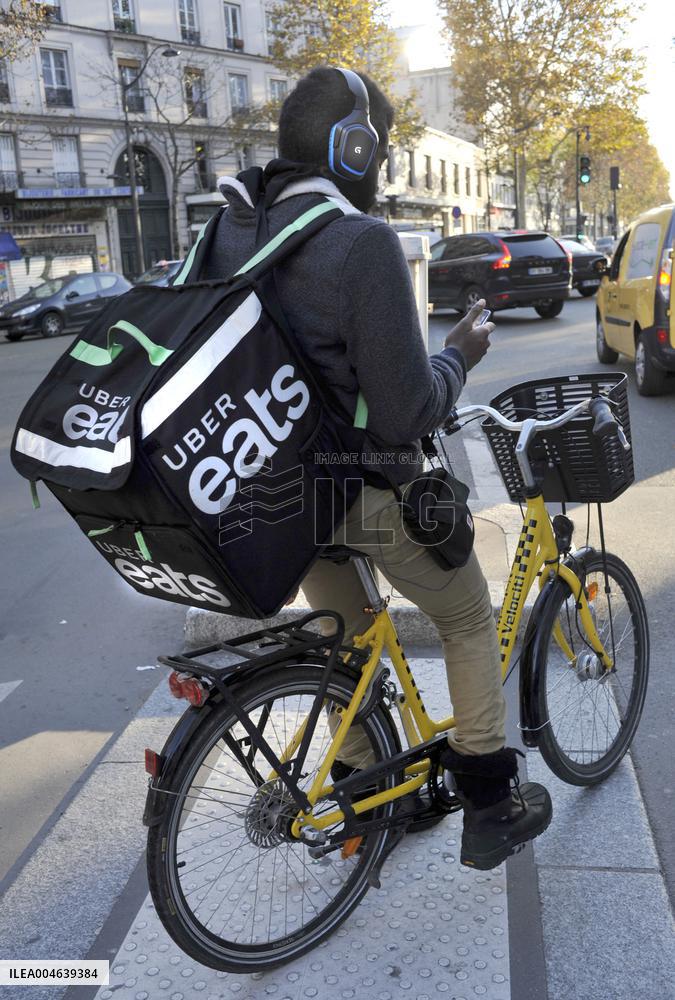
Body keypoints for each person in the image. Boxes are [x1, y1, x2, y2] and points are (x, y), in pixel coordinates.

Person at [205, 66, 552, 870]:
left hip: (272, 495)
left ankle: (368, 802)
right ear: (353, 147)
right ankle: (490, 803)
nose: (385, 164)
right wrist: (457, 357)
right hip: (356, 489)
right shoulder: (359, 243)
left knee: (351, 644)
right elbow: (405, 413)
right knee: (465, 615)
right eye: (381, 147)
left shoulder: (228, 226)